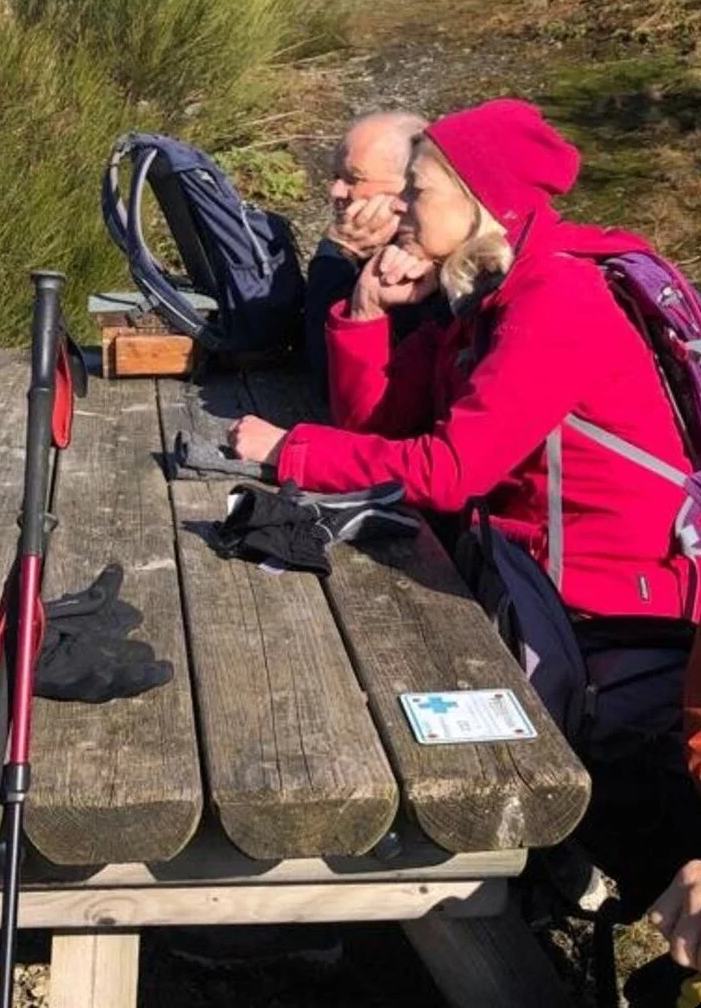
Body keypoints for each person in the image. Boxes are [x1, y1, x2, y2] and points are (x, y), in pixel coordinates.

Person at [230, 98, 701, 908]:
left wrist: (289, 450)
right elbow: (380, 423)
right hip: (537, 585)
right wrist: (368, 311)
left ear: (481, 200)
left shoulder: (557, 301)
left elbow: (450, 469)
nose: (401, 208)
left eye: (418, 190)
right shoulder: (490, 290)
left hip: (610, 612)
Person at [304, 110, 429, 398]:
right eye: (337, 176)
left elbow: (329, 377)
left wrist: (337, 252)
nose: (336, 190)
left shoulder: (414, 267)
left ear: (409, 184)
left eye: (354, 178)